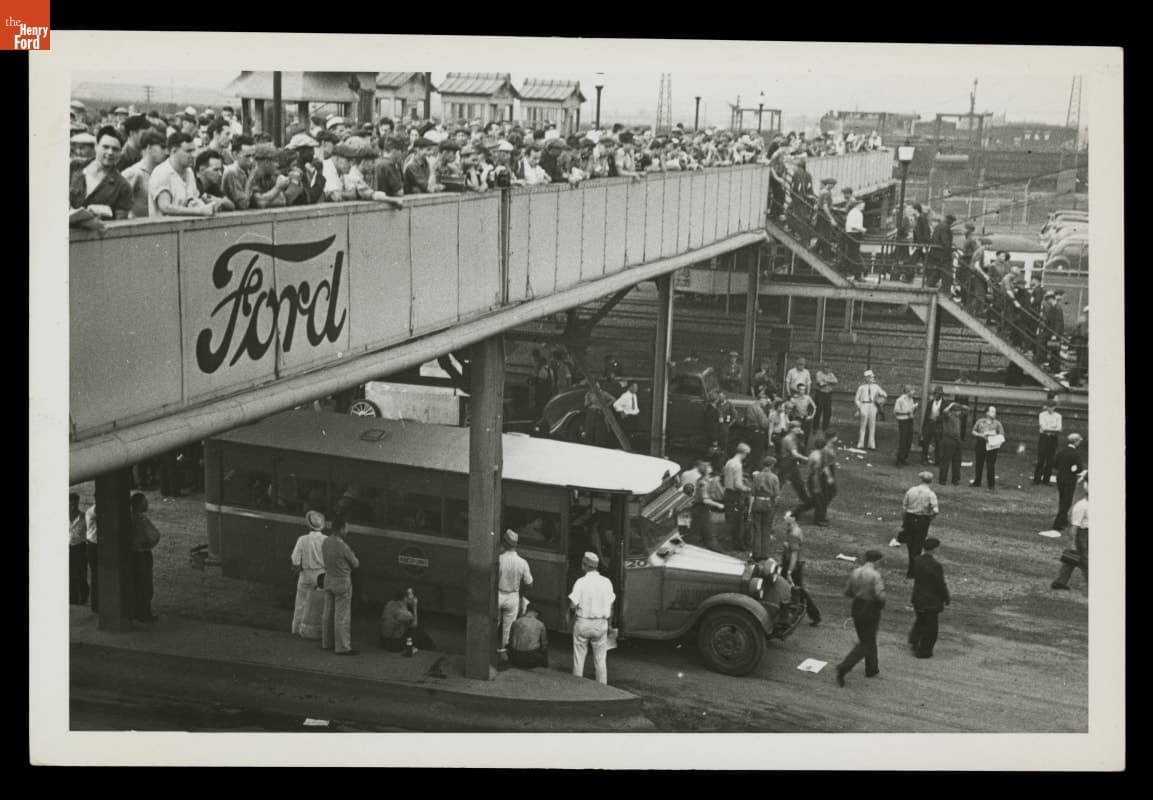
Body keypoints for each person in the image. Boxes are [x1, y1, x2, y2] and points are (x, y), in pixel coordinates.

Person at [834, 550, 887, 686]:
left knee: (868, 638)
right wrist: (880, 604)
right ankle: (844, 667)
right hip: (870, 608)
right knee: (866, 642)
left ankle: (872, 668)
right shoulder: (875, 575)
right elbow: (880, 595)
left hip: (857, 606)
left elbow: (848, 591)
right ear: (876, 561)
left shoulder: (855, 572)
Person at [568, 552, 616, 684]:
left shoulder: (580, 582)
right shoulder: (607, 582)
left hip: (583, 623)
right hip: (601, 624)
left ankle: (577, 685)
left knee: (579, 658)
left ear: (585, 565)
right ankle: (602, 689)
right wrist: (610, 625)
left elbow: (572, 605)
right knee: (600, 660)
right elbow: (611, 606)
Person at [69, 126, 133, 222]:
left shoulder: (123, 187)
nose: (110, 152)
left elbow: (120, 225)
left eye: (115, 149)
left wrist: (103, 212)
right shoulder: (75, 168)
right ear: (96, 146)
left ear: (120, 153)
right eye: (105, 147)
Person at [320, 514, 360, 655]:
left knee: (327, 613)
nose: (347, 531)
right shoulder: (343, 546)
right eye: (346, 528)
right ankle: (342, 647)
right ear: (341, 529)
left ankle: (326, 643)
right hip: (342, 582)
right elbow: (356, 563)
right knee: (341, 616)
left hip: (328, 578)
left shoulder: (326, 541)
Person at [908, 537, 950, 658]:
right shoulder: (935, 566)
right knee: (931, 629)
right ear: (934, 549)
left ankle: (914, 641)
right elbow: (940, 584)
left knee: (920, 620)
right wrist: (945, 597)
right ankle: (924, 651)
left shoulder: (917, 560)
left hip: (918, 597)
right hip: (931, 600)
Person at [779, 513, 821, 626]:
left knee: (798, 591)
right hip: (792, 565)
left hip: (792, 566)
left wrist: (789, 571)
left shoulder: (793, 534)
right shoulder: (796, 530)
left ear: (791, 521)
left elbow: (794, 555)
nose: (784, 522)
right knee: (795, 590)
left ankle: (814, 615)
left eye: (785, 520)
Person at [290, 510, 327, 637]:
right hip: (321, 575)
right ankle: (319, 632)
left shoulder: (302, 539)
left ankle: (297, 629)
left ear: (309, 525)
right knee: (320, 605)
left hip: (306, 574)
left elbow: (295, 559)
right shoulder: (326, 540)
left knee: (301, 602)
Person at [497, 529, 534, 658]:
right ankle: (503, 654)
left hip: (498, 594)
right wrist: (522, 595)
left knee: (493, 623)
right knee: (508, 628)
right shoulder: (522, 562)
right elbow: (529, 584)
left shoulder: (499, 559)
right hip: (513, 596)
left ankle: (488, 652)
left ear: (505, 543)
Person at [900, 471, 940, 578]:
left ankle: (911, 569)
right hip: (922, 520)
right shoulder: (930, 494)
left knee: (910, 544)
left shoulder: (911, 490)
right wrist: (930, 517)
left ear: (921, 479)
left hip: (909, 518)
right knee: (918, 545)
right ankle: (914, 570)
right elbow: (935, 510)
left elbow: (904, 507)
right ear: (930, 481)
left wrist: (904, 521)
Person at [129, 492, 162, 623]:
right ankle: (144, 614)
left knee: (136, 584)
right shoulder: (142, 520)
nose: (147, 504)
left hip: (133, 555)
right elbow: (154, 535)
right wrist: (150, 544)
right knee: (145, 585)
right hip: (142, 554)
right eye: (144, 502)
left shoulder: (129, 517)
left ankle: (136, 611)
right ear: (138, 504)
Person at [1051, 479, 1088, 590]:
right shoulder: (1082, 506)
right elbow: (1074, 527)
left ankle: (1059, 582)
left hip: (1088, 533)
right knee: (1086, 559)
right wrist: (1072, 543)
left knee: (1071, 560)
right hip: (1082, 534)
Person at [379, 588, 435, 652]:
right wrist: (415, 606)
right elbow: (414, 625)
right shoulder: (401, 611)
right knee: (418, 632)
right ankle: (431, 649)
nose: (413, 598)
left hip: (383, 641)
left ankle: (420, 647)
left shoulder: (389, 604)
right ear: (405, 598)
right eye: (411, 596)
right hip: (393, 644)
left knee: (408, 630)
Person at [748, 456, 780, 560]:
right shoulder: (774, 478)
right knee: (766, 529)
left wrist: (750, 508)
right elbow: (776, 495)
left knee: (757, 529)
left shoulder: (757, 477)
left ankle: (756, 553)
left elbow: (752, 493)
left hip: (757, 502)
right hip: (768, 503)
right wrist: (774, 504)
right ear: (772, 465)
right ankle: (764, 554)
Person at [1052, 433, 1087, 530]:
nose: (1079, 443)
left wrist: (1063, 468)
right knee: (1066, 502)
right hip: (1070, 479)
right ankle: (1057, 523)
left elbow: (1055, 464)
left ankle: (1063, 520)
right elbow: (1079, 468)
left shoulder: (1061, 452)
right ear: (1075, 441)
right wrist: (1073, 470)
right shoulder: (1075, 453)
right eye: (1079, 441)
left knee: (1062, 499)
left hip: (1060, 478)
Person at [722, 443, 752, 551]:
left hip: (727, 492)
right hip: (735, 494)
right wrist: (747, 489)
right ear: (744, 453)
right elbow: (738, 485)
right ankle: (738, 544)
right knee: (739, 521)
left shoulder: (729, 462)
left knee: (731, 519)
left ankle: (730, 540)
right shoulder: (738, 465)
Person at [970, 405, 1006, 490]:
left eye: (995, 411)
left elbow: (1002, 434)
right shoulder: (980, 421)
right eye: (992, 411)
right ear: (987, 412)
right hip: (981, 443)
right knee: (979, 463)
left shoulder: (997, 423)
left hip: (992, 445)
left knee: (991, 465)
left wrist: (994, 435)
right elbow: (973, 431)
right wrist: (980, 435)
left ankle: (991, 484)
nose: (994, 413)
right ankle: (977, 481)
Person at [507, 603, 549, 669]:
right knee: (543, 649)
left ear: (526, 611)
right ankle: (544, 665)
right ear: (536, 613)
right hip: (531, 660)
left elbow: (510, 641)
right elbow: (544, 645)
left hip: (515, 659)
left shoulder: (516, 622)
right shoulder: (540, 624)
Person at [854, 370, 888, 450]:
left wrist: (881, 398)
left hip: (873, 405)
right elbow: (856, 399)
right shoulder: (861, 387)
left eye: (872, 377)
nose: (872, 378)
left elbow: (884, 394)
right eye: (870, 377)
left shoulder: (876, 386)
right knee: (863, 425)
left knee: (872, 425)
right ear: (866, 378)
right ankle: (860, 443)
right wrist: (860, 407)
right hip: (864, 405)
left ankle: (871, 444)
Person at [1033, 396, 1063, 485]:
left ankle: (1046, 480)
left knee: (1050, 460)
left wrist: (1049, 428)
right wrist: (1052, 427)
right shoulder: (1042, 415)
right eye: (1048, 407)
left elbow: (1059, 429)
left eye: (1052, 407)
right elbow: (1043, 427)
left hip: (1053, 439)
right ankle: (1036, 480)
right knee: (1041, 459)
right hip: (1044, 438)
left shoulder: (1058, 416)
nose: (1050, 409)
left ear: (1055, 407)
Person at [937, 401, 964, 486]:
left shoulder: (958, 418)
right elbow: (945, 411)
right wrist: (951, 404)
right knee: (945, 460)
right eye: (956, 410)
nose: (958, 412)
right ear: (952, 411)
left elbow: (967, 410)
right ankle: (942, 479)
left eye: (959, 410)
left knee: (957, 460)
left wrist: (961, 405)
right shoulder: (948, 416)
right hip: (948, 439)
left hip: (957, 440)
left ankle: (955, 480)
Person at [69, 493, 89, 607]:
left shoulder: (84, 517)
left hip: (80, 548)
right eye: (71, 503)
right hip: (67, 548)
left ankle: (83, 597)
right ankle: (73, 599)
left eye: (75, 503)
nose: (73, 506)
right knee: (69, 574)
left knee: (80, 574)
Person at [920, 385, 946, 465]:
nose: (936, 395)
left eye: (938, 394)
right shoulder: (930, 402)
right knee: (926, 442)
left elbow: (945, 415)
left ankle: (938, 461)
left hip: (938, 426)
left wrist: (937, 418)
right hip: (929, 424)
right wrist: (924, 427)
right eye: (935, 393)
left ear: (941, 395)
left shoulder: (944, 403)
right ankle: (924, 459)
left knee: (938, 443)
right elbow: (926, 415)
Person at [893, 385, 919, 466]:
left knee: (909, 440)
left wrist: (914, 409)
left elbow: (911, 410)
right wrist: (906, 412)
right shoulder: (900, 400)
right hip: (903, 421)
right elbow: (896, 412)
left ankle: (904, 458)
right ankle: (899, 460)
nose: (914, 392)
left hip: (910, 420)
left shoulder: (911, 399)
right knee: (903, 441)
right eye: (912, 391)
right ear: (908, 391)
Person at [812, 362, 838, 431]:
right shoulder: (819, 373)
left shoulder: (831, 374)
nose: (827, 369)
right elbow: (820, 384)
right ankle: (815, 427)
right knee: (818, 411)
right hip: (820, 394)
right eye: (826, 367)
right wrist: (829, 382)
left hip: (828, 394)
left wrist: (825, 381)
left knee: (828, 411)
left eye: (828, 368)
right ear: (823, 368)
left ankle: (825, 428)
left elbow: (835, 381)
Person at [85, 503, 99, 613]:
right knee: (96, 575)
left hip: (97, 544)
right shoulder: (92, 512)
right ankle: (95, 604)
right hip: (94, 545)